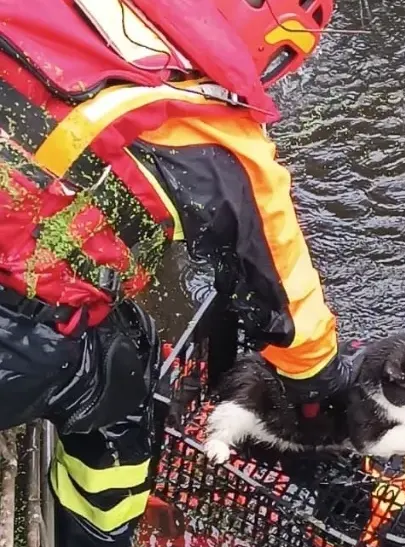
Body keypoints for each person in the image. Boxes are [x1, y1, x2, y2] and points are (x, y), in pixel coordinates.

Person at [0, 1, 357, 545]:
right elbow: (297, 324)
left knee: (120, 329)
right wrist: (331, 386)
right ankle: (93, 533)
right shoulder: (215, 133)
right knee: (124, 385)